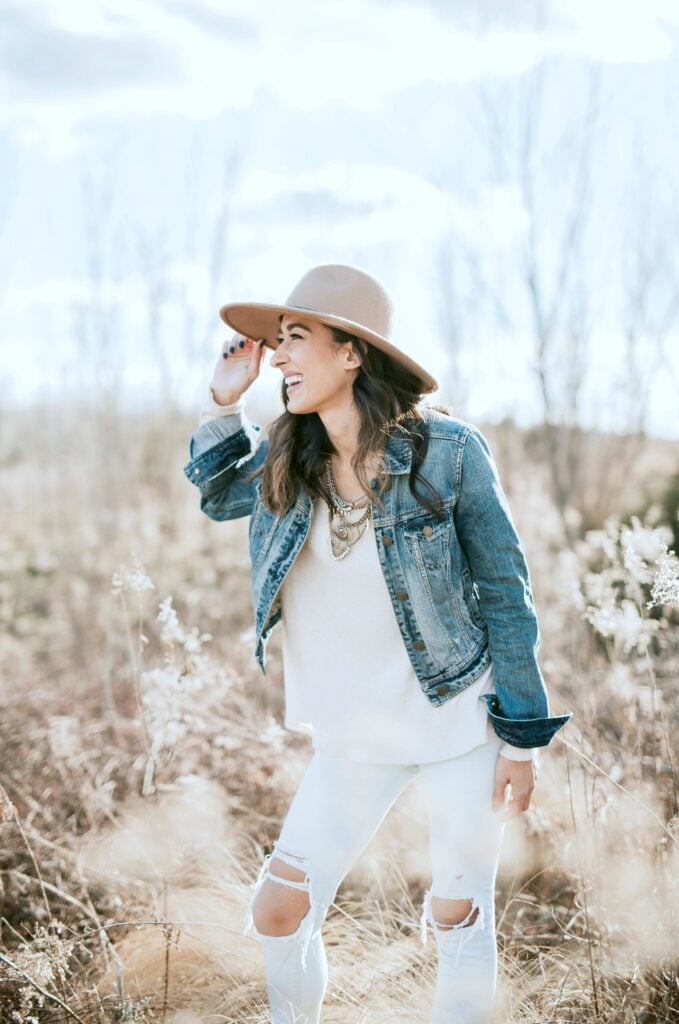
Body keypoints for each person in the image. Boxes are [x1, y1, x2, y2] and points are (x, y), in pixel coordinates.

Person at [183, 264, 571, 1024]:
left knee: (458, 913)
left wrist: (520, 737)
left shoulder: (447, 451)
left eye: (296, 340)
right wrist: (224, 402)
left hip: (458, 717)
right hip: (353, 733)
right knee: (279, 909)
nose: (280, 359)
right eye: (278, 344)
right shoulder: (287, 458)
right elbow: (218, 493)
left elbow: (504, 588)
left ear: (352, 353)